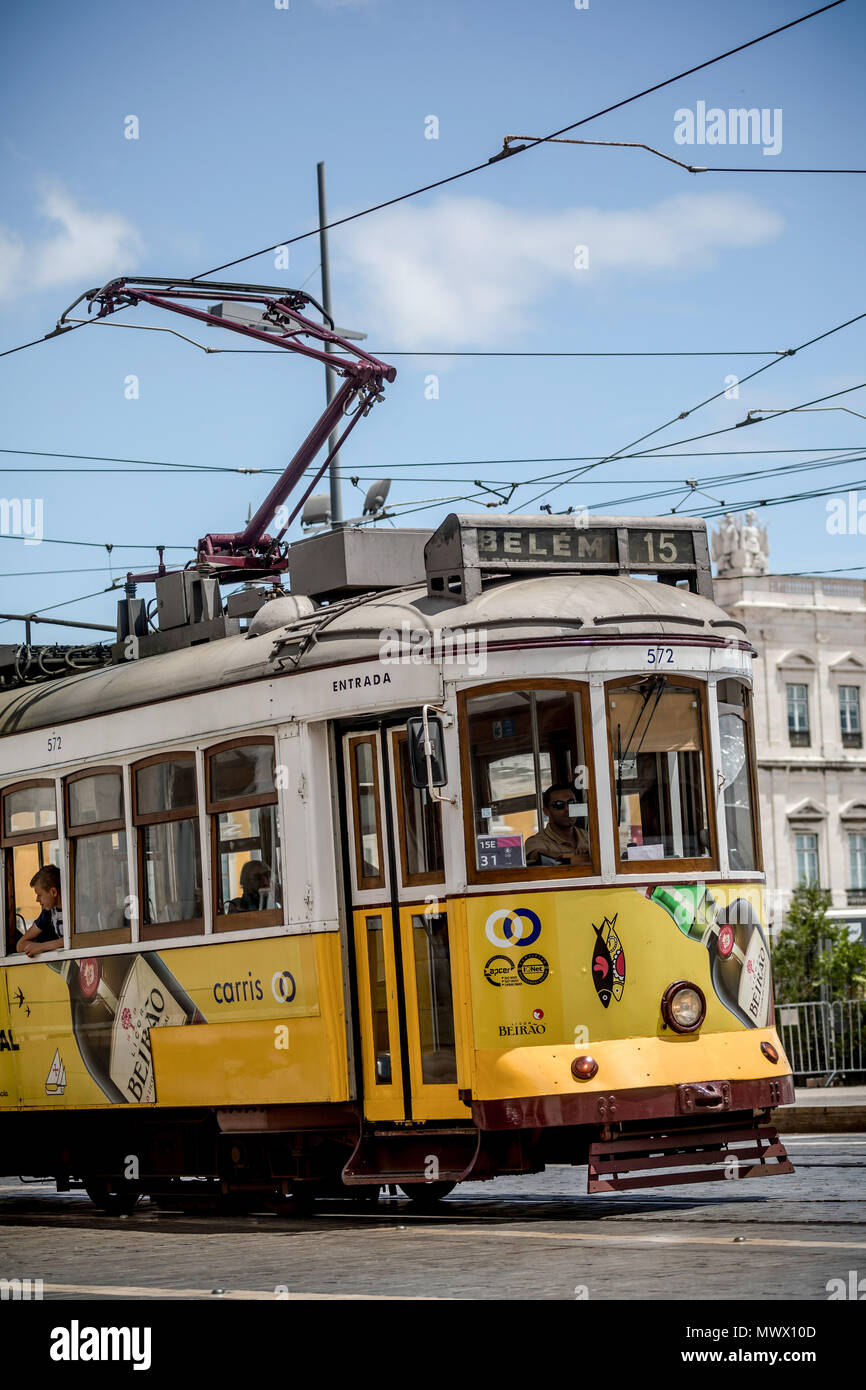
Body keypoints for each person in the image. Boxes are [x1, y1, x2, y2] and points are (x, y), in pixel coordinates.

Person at [525, 784, 590, 866]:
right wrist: (577, 855)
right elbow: (538, 855)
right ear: (546, 811)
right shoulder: (536, 841)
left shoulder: (589, 836)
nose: (567, 809)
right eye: (559, 805)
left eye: (571, 803)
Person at [16, 865, 63, 957]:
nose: (37, 900)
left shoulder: (76, 907)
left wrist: (41, 947)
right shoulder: (48, 912)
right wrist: (38, 947)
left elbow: (78, 939)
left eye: (39, 895)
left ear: (53, 892)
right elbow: (20, 945)